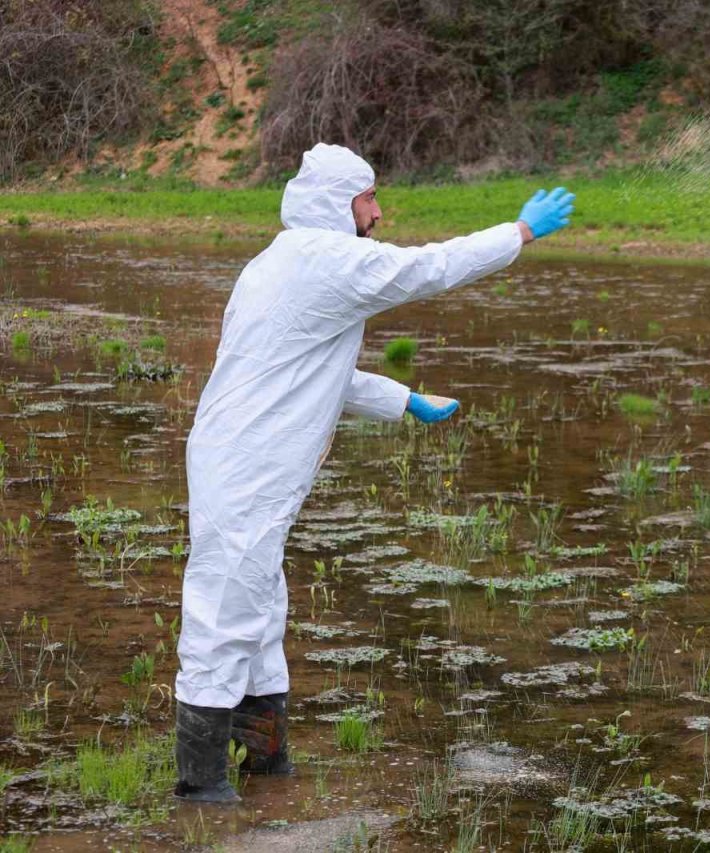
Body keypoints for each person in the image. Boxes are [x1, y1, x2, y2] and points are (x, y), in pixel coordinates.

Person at [173, 143, 574, 802]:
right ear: (339, 204)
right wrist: (518, 233)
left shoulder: (282, 260)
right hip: (246, 466)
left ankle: (265, 765)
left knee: (260, 609)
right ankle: (201, 787)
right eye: (369, 200)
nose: (379, 213)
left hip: (246, 461)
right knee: (222, 613)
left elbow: (311, 370)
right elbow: (427, 269)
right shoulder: (323, 259)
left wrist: (403, 399)